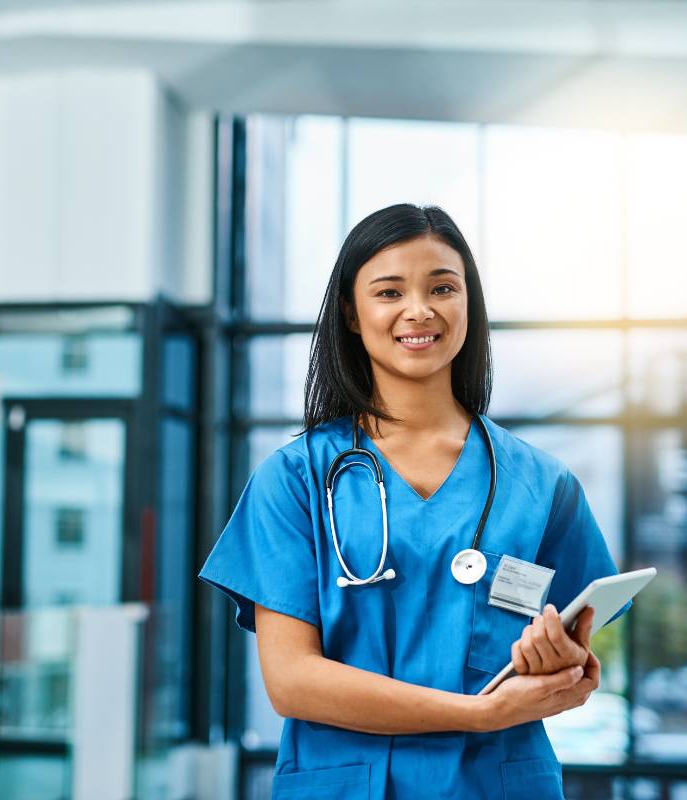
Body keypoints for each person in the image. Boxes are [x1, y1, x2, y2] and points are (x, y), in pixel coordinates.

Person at [199, 203, 623, 799]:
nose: (419, 310)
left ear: (468, 303)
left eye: (442, 287)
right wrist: (475, 714)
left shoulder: (542, 485)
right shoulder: (295, 479)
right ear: (351, 311)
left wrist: (566, 672)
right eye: (389, 291)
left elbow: (574, 663)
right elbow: (292, 681)